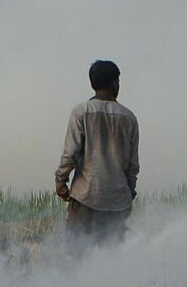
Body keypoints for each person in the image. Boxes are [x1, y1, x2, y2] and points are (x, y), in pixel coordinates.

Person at [55, 60, 140, 246]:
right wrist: (129, 192)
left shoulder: (81, 112)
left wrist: (60, 181)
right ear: (114, 83)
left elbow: (70, 153)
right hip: (118, 202)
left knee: (76, 259)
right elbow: (133, 166)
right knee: (111, 262)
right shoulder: (129, 118)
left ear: (92, 83)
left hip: (86, 198)